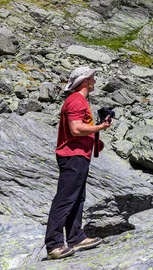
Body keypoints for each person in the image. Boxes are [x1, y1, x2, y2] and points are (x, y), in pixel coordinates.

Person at [44, 66, 113, 260]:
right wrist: (100, 127)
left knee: (77, 198)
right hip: (72, 156)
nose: (95, 82)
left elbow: (79, 130)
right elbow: (75, 129)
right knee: (65, 198)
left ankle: (75, 237)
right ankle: (54, 244)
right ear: (84, 81)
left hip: (79, 155)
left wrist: (95, 140)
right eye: (92, 78)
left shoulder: (79, 101)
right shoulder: (76, 101)